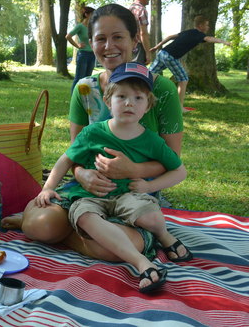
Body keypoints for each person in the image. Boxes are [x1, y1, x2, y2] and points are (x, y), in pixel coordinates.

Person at [3, 4, 188, 268]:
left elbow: (172, 160)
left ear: (135, 39)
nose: (109, 45)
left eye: (118, 37)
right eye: (101, 38)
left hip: (134, 196)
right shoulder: (84, 89)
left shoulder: (160, 89)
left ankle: (70, 234)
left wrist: (131, 169)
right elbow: (75, 153)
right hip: (88, 191)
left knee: (118, 250)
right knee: (39, 225)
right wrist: (81, 174)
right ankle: (61, 228)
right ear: (91, 42)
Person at [35, 62, 191, 293]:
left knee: (153, 219)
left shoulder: (151, 141)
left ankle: (163, 235)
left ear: (148, 106)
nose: (129, 103)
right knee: (85, 216)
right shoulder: (93, 132)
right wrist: (47, 187)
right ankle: (142, 264)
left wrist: (150, 187)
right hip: (92, 195)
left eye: (138, 98)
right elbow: (66, 159)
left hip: (129, 194)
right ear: (109, 101)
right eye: (122, 96)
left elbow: (180, 171)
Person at [150, 15, 231, 111]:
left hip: (162, 53)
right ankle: (179, 107)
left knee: (149, 74)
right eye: (206, 25)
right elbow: (209, 39)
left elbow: (170, 37)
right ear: (200, 26)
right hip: (170, 57)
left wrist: (157, 47)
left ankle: (142, 95)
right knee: (183, 79)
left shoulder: (188, 32)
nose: (208, 27)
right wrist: (223, 41)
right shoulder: (199, 34)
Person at [67, 6, 97, 92]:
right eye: (92, 14)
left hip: (92, 55)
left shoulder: (93, 27)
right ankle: (74, 98)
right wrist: (77, 45)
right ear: (86, 14)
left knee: (88, 79)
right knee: (79, 78)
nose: (94, 16)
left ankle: (83, 98)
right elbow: (68, 36)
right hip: (83, 54)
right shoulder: (80, 26)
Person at [129, 0, 152, 65]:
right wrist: (148, 53)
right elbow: (143, 33)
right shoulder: (142, 10)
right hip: (138, 46)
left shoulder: (129, 9)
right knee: (137, 72)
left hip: (128, 45)